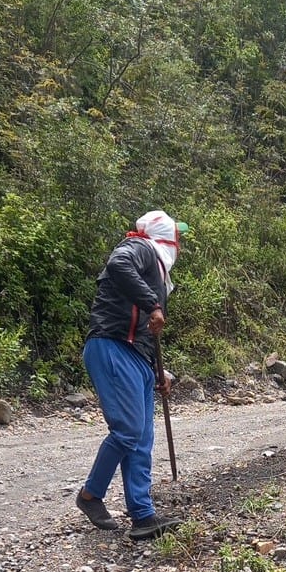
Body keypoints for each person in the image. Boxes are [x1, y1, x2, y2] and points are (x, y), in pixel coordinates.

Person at [76, 210, 188, 541]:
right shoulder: (140, 248)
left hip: (135, 355)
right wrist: (153, 304)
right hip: (112, 346)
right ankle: (90, 495)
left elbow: (144, 330)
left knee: (141, 439)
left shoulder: (158, 271)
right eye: (177, 236)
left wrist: (158, 371)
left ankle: (143, 516)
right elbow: (118, 265)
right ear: (166, 236)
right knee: (127, 431)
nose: (180, 244)